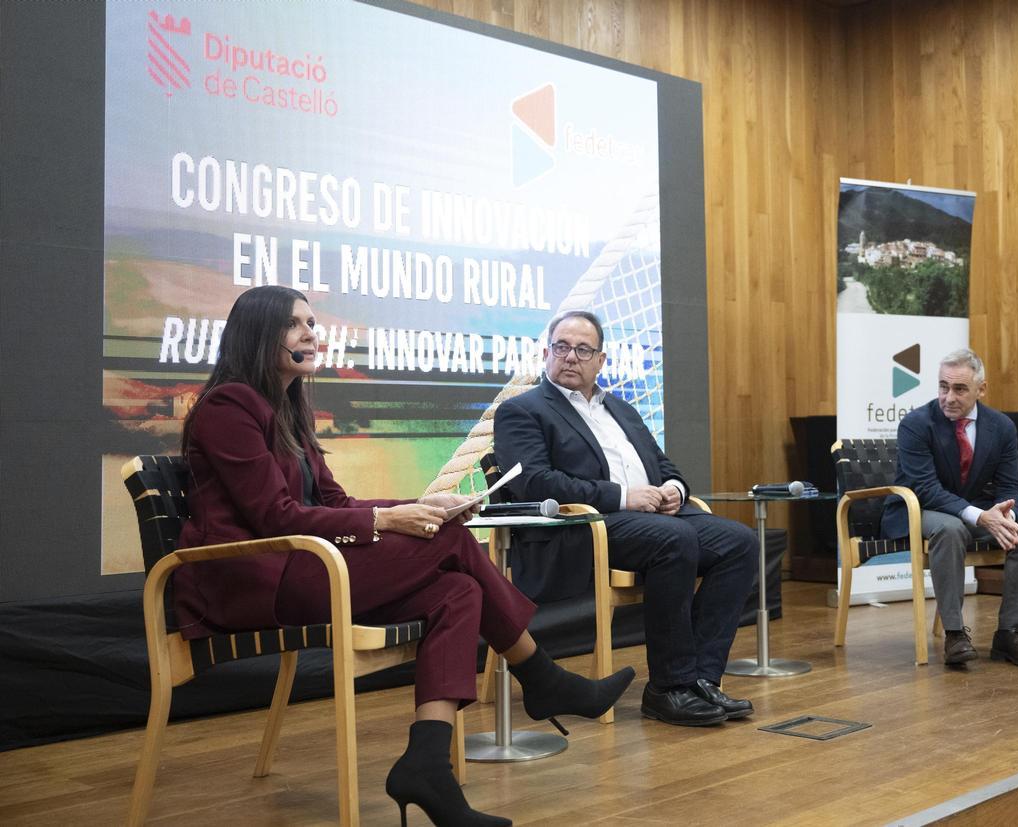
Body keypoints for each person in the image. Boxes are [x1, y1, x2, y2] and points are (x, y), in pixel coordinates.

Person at [175, 286, 634, 827]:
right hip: (254, 581)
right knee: (448, 539)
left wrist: (420, 505)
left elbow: (333, 503)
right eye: (295, 325)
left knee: (457, 590)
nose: (311, 334)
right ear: (259, 334)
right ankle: (541, 676)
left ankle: (426, 764)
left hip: (302, 564)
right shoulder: (228, 406)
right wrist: (391, 519)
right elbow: (275, 518)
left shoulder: (285, 407)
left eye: (312, 322)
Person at [493, 310, 759, 727]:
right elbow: (536, 483)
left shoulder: (621, 409)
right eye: (561, 347)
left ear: (601, 361)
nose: (570, 357)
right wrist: (621, 497)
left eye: (583, 350)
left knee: (740, 542)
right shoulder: (523, 411)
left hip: (653, 520)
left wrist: (675, 491)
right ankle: (668, 688)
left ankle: (702, 680)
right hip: (581, 528)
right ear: (546, 353)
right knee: (674, 540)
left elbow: (664, 466)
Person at [881, 348, 1018, 668]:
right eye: (943, 387)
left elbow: (1011, 484)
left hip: (973, 509)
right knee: (950, 527)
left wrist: (1005, 516)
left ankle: (1011, 633)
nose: (949, 397)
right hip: (920, 507)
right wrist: (981, 516)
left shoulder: (1001, 427)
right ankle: (955, 634)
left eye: (959, 389)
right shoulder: (916, 424)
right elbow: (926, 489)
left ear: (980, 389)